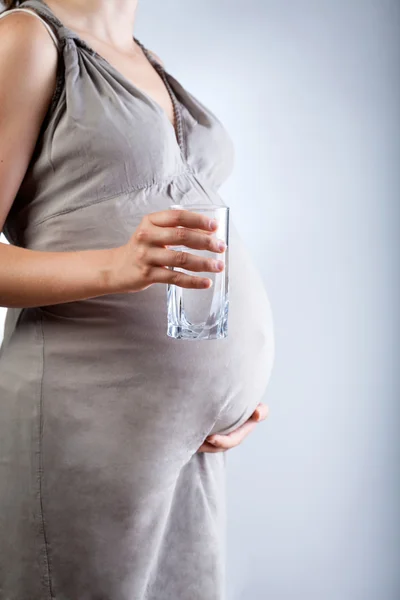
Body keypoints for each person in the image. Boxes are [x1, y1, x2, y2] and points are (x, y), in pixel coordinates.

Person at [0, 0, 275, 598]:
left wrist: (230, 393)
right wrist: (117, 267)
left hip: (192, 446)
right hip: (83, 420)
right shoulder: (28, 38)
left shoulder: (147, 60)